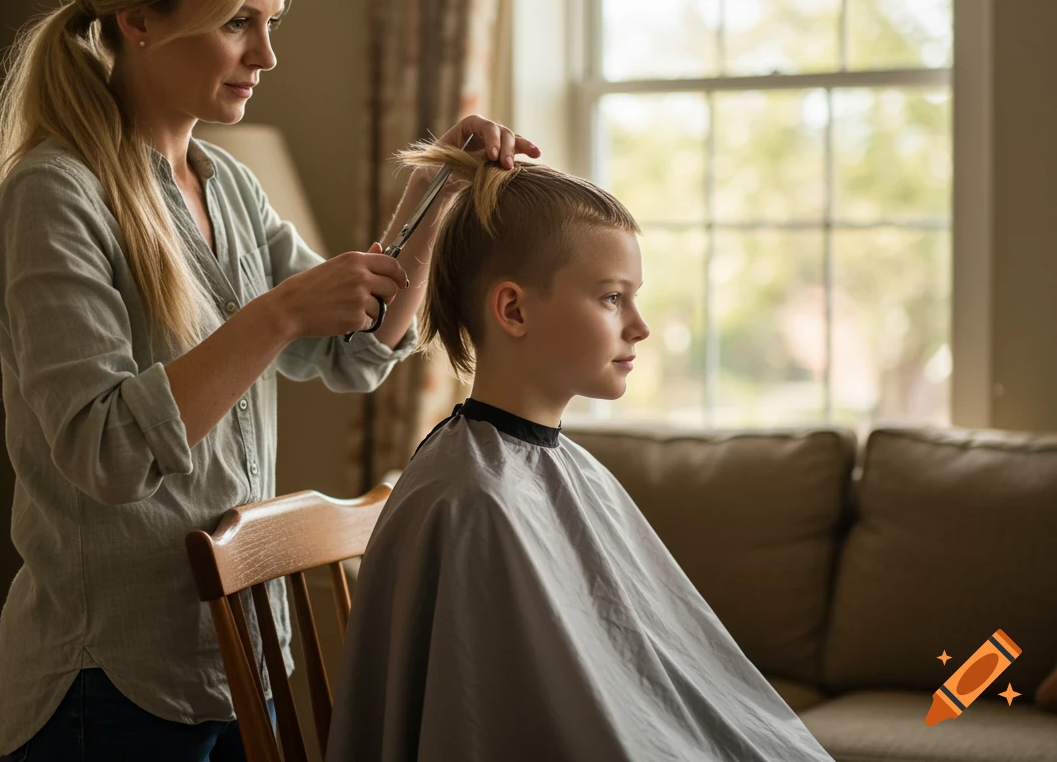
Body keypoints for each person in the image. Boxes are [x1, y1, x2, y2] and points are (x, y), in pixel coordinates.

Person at [0, 0, 538, 760]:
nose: (266, 56)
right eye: (238, 21)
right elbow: (105, 454)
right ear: (138, 19)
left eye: (271, 23)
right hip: (106, 684)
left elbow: (352, 352)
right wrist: (272, 318)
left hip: (232, 668)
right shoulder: (53, 194)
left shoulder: (227, 187)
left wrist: (432, 197)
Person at [326, 142, 835, 761]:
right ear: (513, 309)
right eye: (612, 298)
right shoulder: (473, 500)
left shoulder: (558, 468)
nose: (640, 326)